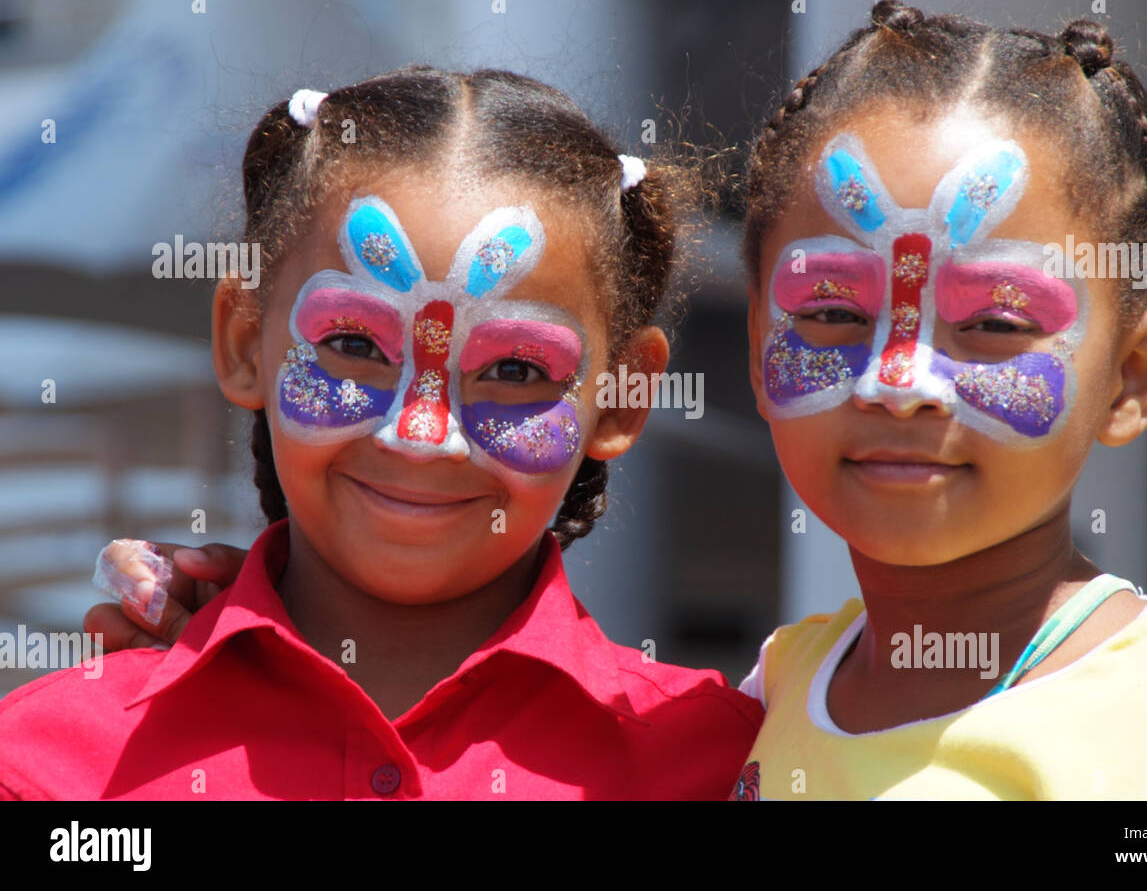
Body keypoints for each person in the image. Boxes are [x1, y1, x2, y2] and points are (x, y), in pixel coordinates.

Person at [0, 66, 761, 800]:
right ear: (243, 342)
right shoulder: (50, 763)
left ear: (623, 397)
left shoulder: (725, 765)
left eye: (517, 370)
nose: (421, 435)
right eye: (356, 346)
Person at [727, 0, 1147, 800]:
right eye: (830, 311)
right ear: (759, 346)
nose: (898, 385)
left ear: (1132, 378)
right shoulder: (772, 692)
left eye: (994, 321)